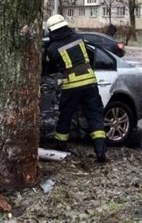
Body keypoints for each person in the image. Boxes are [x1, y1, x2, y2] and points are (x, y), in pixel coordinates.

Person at [44, 14, 107, 162]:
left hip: (72, 84)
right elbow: (90, 58)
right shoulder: (79, 39)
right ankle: (100, 150)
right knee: (95, 115)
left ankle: (60, 145)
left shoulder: (52, 48)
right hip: (90, 81)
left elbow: (50, 69)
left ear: (52, 30)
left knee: (66, 114)